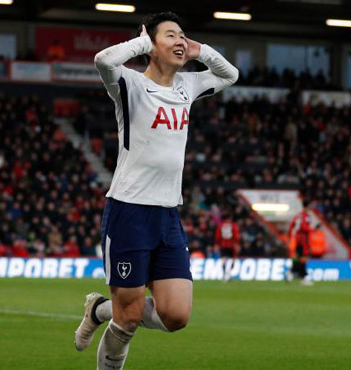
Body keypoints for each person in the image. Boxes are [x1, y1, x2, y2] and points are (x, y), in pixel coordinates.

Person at [73, 12, 238, 370]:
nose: (180, 41)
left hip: (168, 214)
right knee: (128, 317)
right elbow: (103, 59)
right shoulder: (129, 85)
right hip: (129, 211)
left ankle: (98, 309)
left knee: (177, 315)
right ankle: (109, 319)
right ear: (151, 46)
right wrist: (141, 42)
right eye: (170, 36)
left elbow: (230, 75)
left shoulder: (187, 86)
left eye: (183, 35)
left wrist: (201, 50)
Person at [287, 200, 314, 285]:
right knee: (303, 258)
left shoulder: (299, 215)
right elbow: (304, 227)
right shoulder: (305, 216)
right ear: (307, 207)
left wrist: (290, 235)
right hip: (302, 240)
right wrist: (312, 229)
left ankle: (292, 273)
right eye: (310, 206)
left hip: (298, 239)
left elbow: (292, 225)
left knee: (300, 258)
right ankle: (301, 277)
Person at [215, 212, 240, 281]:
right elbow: (236, 235)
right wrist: (237, 244)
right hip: (232, 245)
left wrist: (217, 244)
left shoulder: (220, 226)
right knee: (233, 259)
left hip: (223, 245)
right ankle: (228, 273)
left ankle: (224, 274)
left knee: (224, 259)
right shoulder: (233, 225)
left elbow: (217, 236)